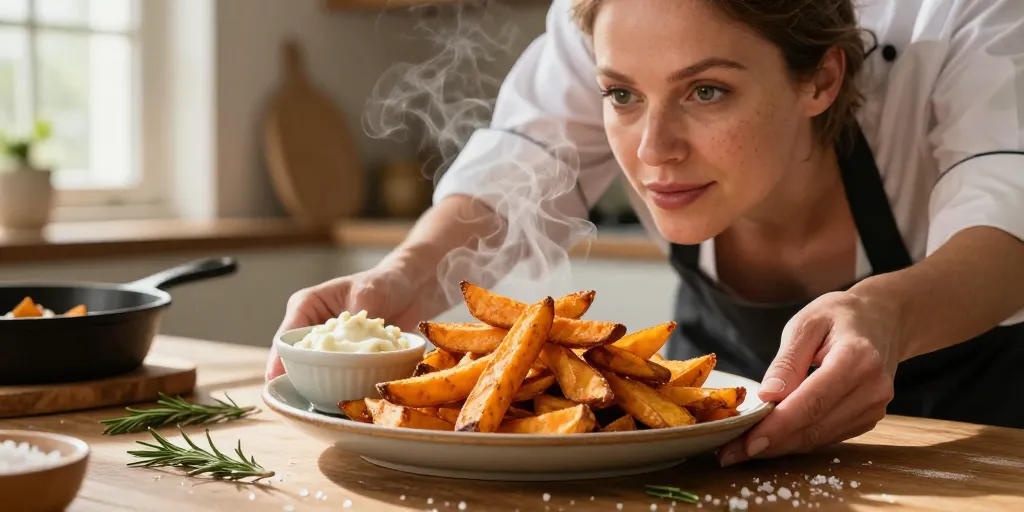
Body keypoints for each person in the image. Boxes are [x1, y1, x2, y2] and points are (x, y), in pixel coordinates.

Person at [267, 0, 1024, 466]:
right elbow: (527, 156)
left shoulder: (957, 17)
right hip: (722, 458)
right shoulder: (604, 17)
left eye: (707, 90)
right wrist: (405, 273)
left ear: (820, 81)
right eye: (621, 94)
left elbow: (1007, 224)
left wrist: (886, 314)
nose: (654, 151)